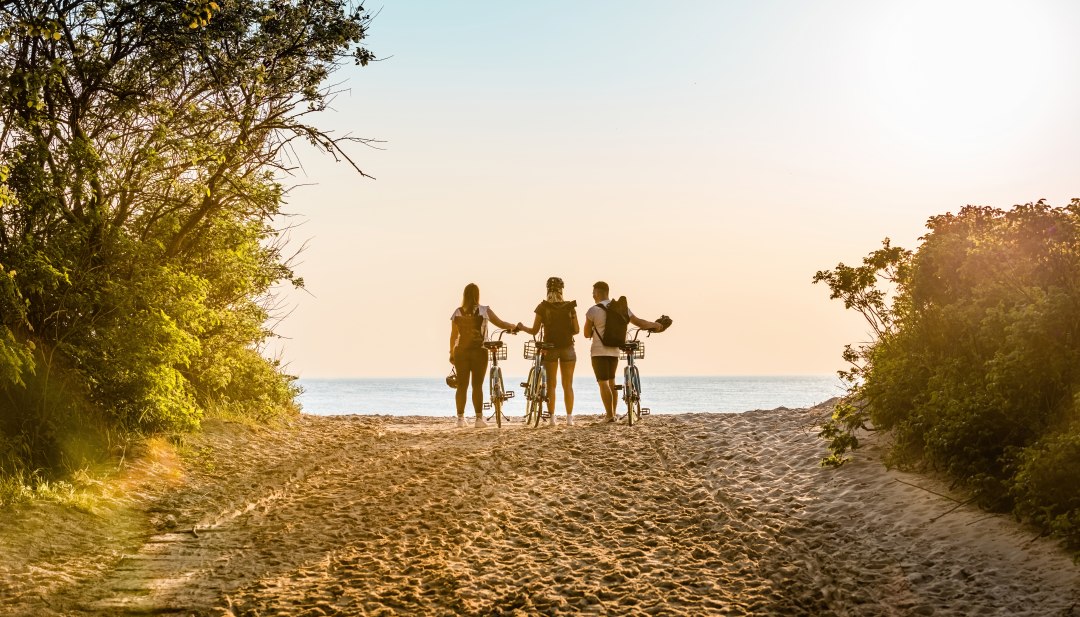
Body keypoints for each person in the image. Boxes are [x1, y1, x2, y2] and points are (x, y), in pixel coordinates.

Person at [583, 281, 665, 423]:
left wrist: (594, 328)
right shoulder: (622, 308)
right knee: (612, 382)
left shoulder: (592, 311)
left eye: (593, 292)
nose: (592, 295)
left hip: (598, 351)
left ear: (597, 292)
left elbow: (585, 333)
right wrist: (655, 324)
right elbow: (640, 322)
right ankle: (612, 413)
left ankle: (609, 416)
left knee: (603, 383)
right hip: (615, 350)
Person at [449, 283, 518, 428]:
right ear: (477, 295)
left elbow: (453, 336)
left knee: (462, 385)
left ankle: (460, 419)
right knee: (477, 385)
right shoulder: (484, 310)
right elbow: (500, 323)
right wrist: (513, 326)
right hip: (479, 351)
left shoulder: (457, 312)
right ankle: (479, 420)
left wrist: (451, 353)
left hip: (461, 352)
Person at [516, 277, 580, 427]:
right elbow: (576, 330)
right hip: (568, 348)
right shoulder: (570, 307)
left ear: (547, 290)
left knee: (551, 384)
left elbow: (534, 330)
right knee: (568, 384)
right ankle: (569, 419)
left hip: (549, 349)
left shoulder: (542, 307)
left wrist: (522, 326)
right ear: (561, 290)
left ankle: (552, 419)